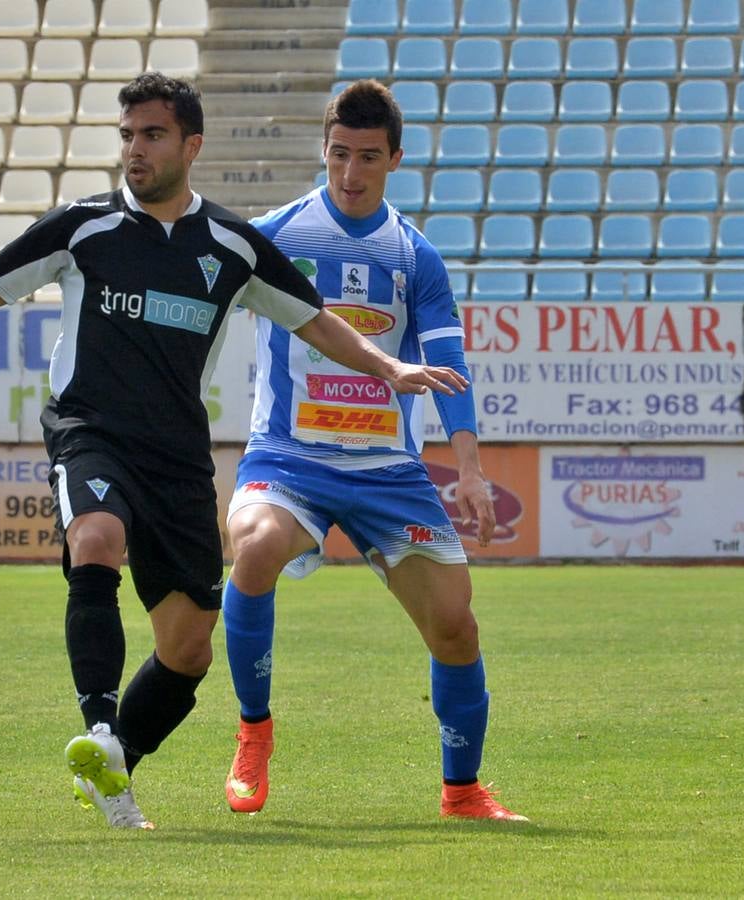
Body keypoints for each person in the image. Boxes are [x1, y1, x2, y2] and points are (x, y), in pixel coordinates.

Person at [0, 72, 467, 830]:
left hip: (176, 455)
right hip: (92, 432)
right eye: (126, 135)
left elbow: (316, 322)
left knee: (187, 651)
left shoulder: (232, 246)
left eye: (151, 135)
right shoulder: (82, 227)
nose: (134, 150)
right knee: (96, 537)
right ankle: (100, 727)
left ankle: (115, 767)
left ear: (191, 145)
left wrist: (390, 368)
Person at [221, 79, 526, 821]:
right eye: (336, 155)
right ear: (323, 151)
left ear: (394, 158)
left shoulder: (413, 255)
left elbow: (449, 368)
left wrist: (474, 471)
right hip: (289, 457)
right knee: (255, 546)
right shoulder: (274, 236)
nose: (349, 174)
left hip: (388, 470)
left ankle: (462, 791)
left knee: (454, 624)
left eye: (365, 158)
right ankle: (254, 733)